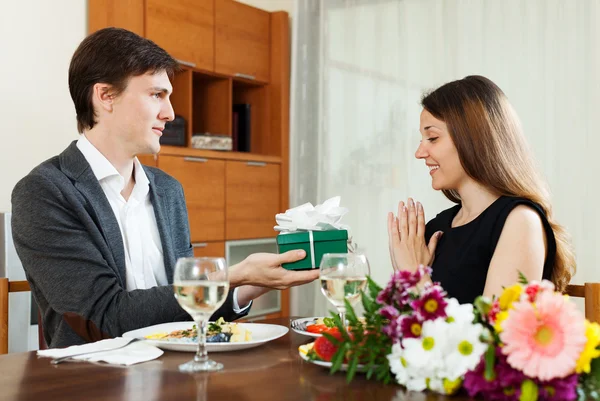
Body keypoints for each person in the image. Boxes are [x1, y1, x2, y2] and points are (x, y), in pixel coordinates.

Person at [11, 27, 318, 348]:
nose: (170, 113)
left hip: (174, 371)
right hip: (94, 381)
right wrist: (233, 275)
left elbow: (180, 304)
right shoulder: (44, 192)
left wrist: (251, 286)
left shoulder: (167, 190)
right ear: (105, 96)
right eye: (156, 94)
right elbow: (103, 317)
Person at [387, 75, 575, 304]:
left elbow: (494, 335)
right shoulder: (437, 229)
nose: (420, 152)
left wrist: (416, 279)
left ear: (473, 138)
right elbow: (401, 328)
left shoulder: (520, 221)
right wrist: (404, 276)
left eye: (432, 138)